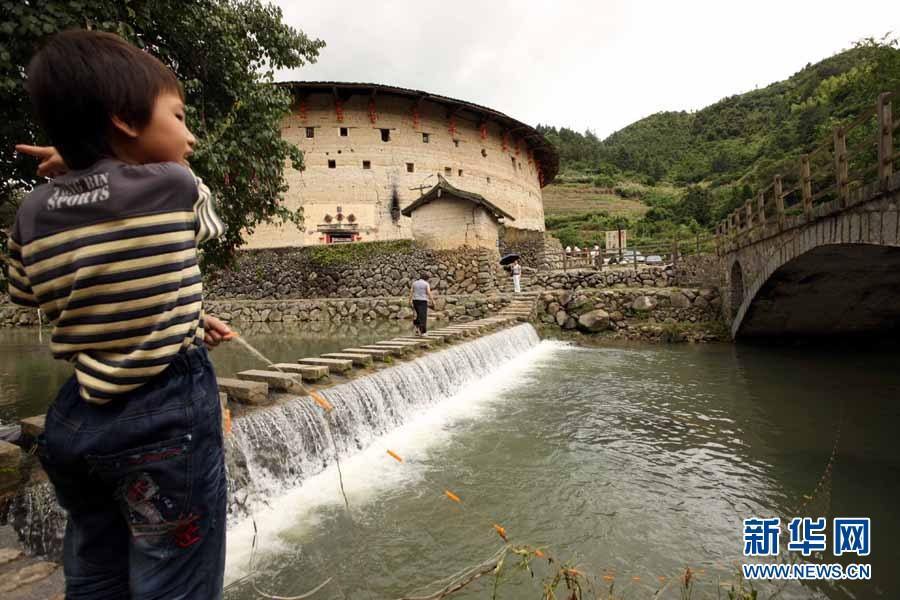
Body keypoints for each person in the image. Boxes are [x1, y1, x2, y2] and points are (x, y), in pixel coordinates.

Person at [8, 30, 232, 598]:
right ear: (125, 122)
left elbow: (27, 294)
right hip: (165, 416)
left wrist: (76, 172)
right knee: (174, 579)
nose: (190, 137)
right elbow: (208, 228)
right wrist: (90, 168)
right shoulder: (175, 185)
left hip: (79, 422)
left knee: (96, 571)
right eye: (179, 118)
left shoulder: (31, 211)